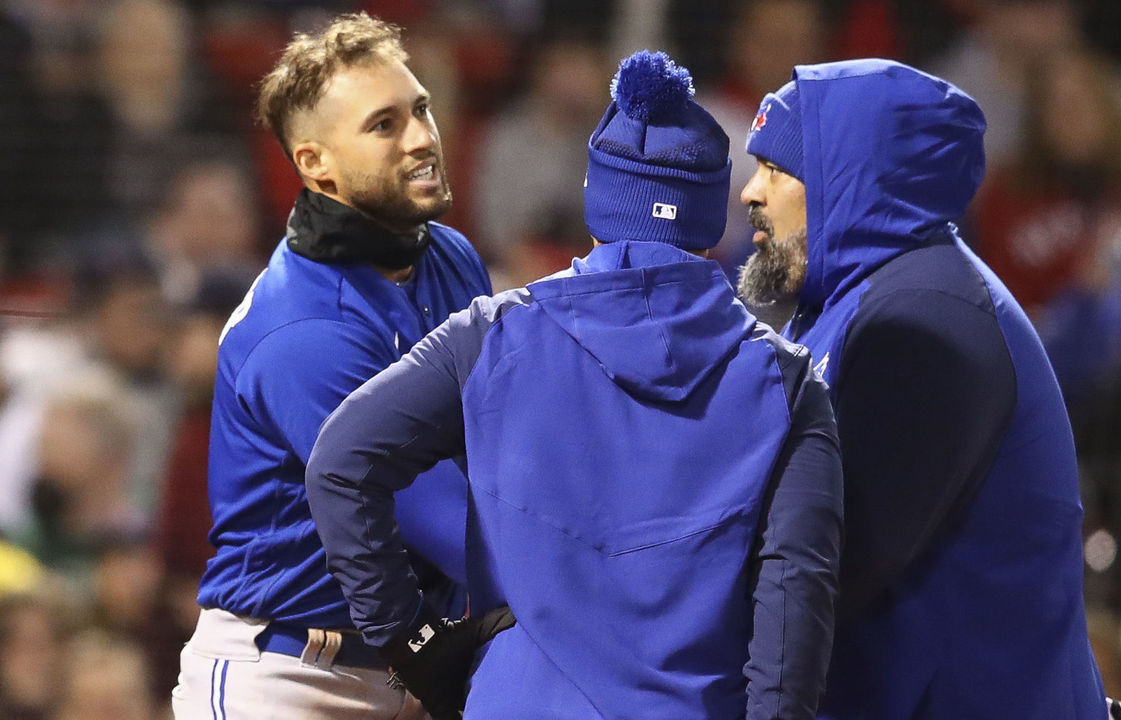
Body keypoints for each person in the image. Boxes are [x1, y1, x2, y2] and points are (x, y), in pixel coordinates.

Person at [306, 50, 844, 720]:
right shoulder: (788, 385)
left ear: (598, 200)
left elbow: (340, 462)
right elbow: (793, 610)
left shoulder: (492, 335)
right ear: (711, 218)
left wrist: (414, 645)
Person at [737, 59, 1115, 719]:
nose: (750, 191)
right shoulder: (858, 301)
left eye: (777, 168)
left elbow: (827, 560)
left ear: (849, 179)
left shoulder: (929, 316)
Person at [170, 13, 490, 720]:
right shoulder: (302, 329)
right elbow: (443, 515)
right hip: (287, 679)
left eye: (421, 109)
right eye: (383, 125)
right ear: (315, 163)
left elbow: (500, 438)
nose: (421, 138)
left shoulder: (449, 255)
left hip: (414, 660)